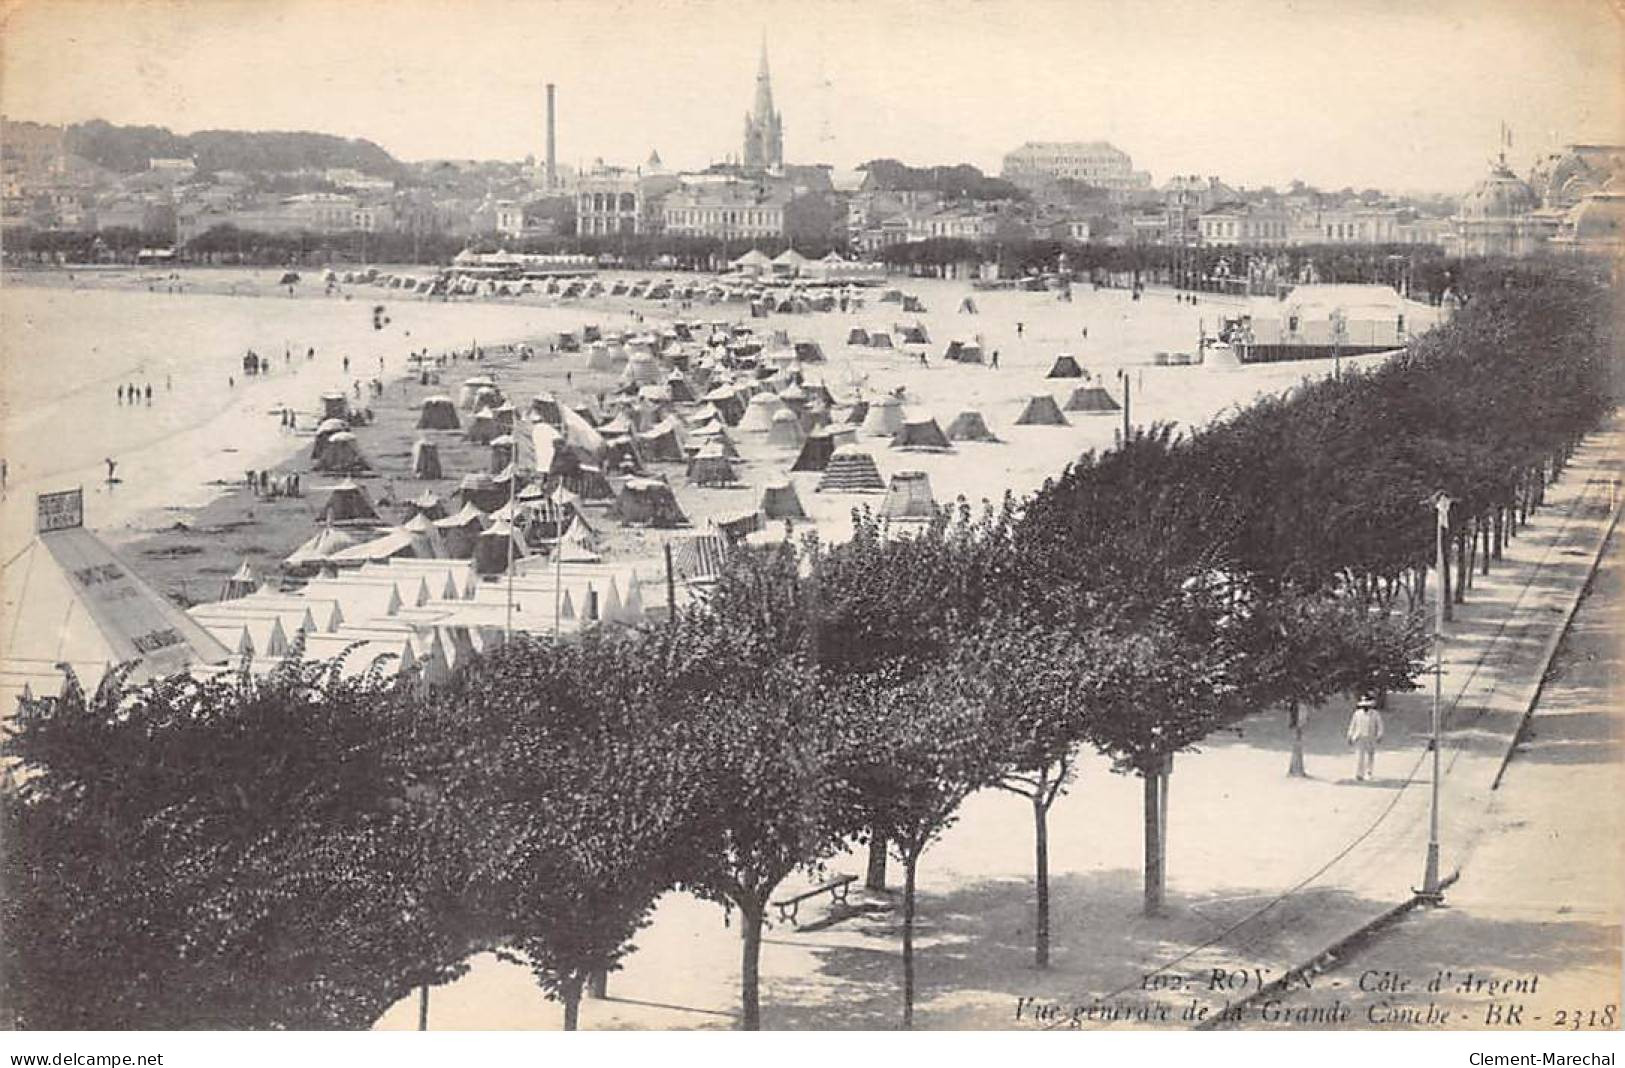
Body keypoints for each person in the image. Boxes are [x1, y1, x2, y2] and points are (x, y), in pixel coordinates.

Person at [1347, 695, 1384, 782]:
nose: (1365, 708)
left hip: (1371, 737)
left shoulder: (1375, 714)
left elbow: (1380, 726)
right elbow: (1353, 725)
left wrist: (1379, 736)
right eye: (1364, 706)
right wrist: (1350, 735)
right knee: (1359, 756)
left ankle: (1368, 772)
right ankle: (1359, 773)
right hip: (1359, 737)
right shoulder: (1357, 714)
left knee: (1370, 756)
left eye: (1367, 706)